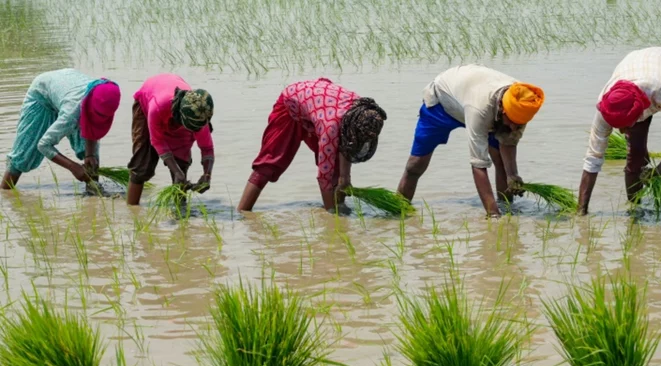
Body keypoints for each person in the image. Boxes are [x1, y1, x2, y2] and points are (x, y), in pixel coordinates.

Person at [396, 64, 544, 217]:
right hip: (443, 104)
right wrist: (493, 215)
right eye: (512, 122)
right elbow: (478, 165)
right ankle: (398, 211)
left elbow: (508, 142)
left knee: (500, 162)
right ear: (502, 109)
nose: (514, 128)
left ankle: (507, 208)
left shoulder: (522, 102)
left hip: (481, 106)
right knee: (415, 166)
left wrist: (512, 175)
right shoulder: (480, 109)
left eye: (518, 124)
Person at [578, 47, 661, 214]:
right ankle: (635, 209)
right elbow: (592, 159)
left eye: (625, 126)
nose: (622, 132)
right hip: (635, 68)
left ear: (639, 113)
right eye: (618, 127)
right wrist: (581, 211)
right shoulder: (606, 107)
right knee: (635, 154)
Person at [236, 77, 387, 212]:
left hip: (318, 106)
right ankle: (241, 213)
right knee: (270, 164)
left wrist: (345, 178)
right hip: (290, 105)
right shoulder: (331, 127)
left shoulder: (363, 111)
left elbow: (347, 143)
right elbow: (323, 176)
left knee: (335, 165)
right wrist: (332, 218)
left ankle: (340, 207)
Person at [2, 68, 121, 189]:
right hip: (42, 94)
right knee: (24, 153)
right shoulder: (72, 113)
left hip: (67, 86)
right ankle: (5, 192)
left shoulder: (105, 96)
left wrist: (89, 155)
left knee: (92, 154)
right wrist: (73, 167)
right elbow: (43, 145)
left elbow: (92, 128)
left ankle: (93, 191)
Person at [127, 74, 215, 205]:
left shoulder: (199, 114)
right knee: (142, 165)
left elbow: (207, 148)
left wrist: (207, 175)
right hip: (148, 102)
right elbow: (157, 141)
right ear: (181, 117)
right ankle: (132, 210)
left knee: (181, 165)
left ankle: (181, 215)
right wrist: (175, 170)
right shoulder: (157, 107)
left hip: (181, 114)